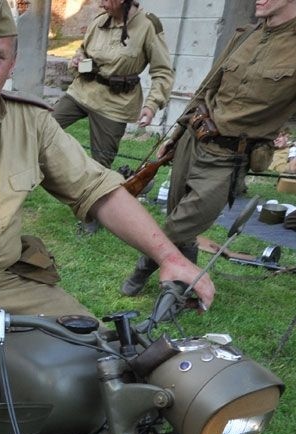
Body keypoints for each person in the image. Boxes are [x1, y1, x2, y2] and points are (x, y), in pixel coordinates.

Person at [0, 0, 214, 421]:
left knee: (100, 354)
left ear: (11, 64)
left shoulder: (30, 120)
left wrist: (169, 257)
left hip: (5, 278)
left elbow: (97, 189)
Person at [120, 0, 296, 296]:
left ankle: (144, 267)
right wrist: (176, 135)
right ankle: (180, 285)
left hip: (229, 156)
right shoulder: (244, 35)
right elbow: (206, 88)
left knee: (181, 223)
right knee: (179, 216)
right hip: (193, 138)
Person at [54, 0, 174, 234]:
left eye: (105, 0)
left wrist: (152, 105)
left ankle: (93, 215)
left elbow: (162, 71)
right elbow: (83, 50)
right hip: (82, 91)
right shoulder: (100, 21)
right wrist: (77, 59)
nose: (100, 4)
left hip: (114, 104)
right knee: (44, 127)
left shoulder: (148, 25)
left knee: (101, 164)